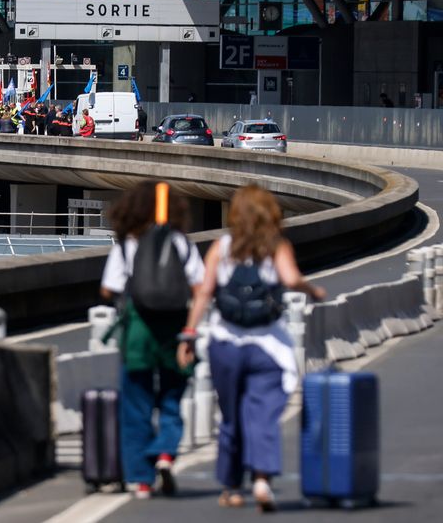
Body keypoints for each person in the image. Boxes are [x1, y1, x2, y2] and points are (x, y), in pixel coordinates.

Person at [177, 184, 326, 512]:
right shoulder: (276, 245)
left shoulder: (222, 246)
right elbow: (290, 279)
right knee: (262, 415)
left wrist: (189, 334)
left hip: (225, 345)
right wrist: (313, 289)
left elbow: (203, 293)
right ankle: (261, 479)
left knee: (230, 417)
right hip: (267, 347)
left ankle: (231, 487)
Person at [100, 181, 204, 500]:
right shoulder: (180, 242)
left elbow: (108, 288)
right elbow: (200, 288)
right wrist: (189, 332)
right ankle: (165, 453)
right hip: (174, 327)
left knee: (136, 402)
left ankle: (141, 480)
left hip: (138, 329)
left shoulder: (127, 245)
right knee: (172, 395)